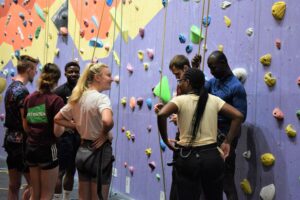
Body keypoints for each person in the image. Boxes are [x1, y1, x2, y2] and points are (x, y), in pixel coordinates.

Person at [157, 68, 244, 200]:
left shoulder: (180, 100)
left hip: (188, 158)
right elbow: (238, 116)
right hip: (212, 157)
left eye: (180, 81)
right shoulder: (214, 100)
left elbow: (162, 114)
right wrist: (227, 141)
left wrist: (166, 140)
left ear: (188, 82)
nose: (179, 84)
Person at [54, 63, 115, 200]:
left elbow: (57, 118)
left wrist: (76, 126)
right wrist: (105, 133)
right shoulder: (102, 98)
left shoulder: (77, 97)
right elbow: (107, 121)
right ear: (97, 78)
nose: (112, 79)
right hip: (98, 153)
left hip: (82, 153)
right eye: (108, 75)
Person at [206, 51, 247, 200]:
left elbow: (240, 118)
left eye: (214, 67)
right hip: (210, 137)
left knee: (227, 183)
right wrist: (194, 68)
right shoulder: (213, 82)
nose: (211, 71)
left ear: (224, 63)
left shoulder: (236, 87)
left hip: (225, 138)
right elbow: (197, 91)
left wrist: (228, 142)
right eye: (209, 68)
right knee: (207, 183)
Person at [22, 63, 65, 200]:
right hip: (47, 149)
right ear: (56, 81)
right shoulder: (56, 101)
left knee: (35, 193)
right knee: (46, 195)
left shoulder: (30, 98)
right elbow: (57, 132)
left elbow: (26, 127)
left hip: (31, 148)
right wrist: (66, 126)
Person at [3, 55, 39, 199]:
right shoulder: (23, 91)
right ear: (29, 69)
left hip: (10, 140)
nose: (35, 73)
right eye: (35, 70)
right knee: (34, 186)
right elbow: (26, 122)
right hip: (21, 143)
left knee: (14, 185)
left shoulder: (10, 87)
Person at [53, 61, 81, 200]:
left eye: (76, 71)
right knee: (60, 171)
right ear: (65, 73)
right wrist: (65, 127)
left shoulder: (84, 91)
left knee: (72, 171)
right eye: (71, 71)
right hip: (64, 138)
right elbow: (54, 115)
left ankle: (66, 198)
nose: (74, 74)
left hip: (79, 137)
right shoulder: (58, 91)